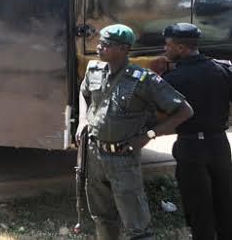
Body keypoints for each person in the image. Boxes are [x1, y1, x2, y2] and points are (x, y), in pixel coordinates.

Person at [77, 24, 193, 240]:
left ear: (123, 49)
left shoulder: (143, 79)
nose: (99, 47)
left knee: (136, 224)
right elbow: (83, 94)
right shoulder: (94, 70)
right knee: (101, 216)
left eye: (106, 45)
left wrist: (147, 136)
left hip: (123, 158)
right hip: (94, 155)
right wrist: (83, 119)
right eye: (100, 43)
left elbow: (184, 111)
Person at [158, 23, 232, 240]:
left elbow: (159, 114)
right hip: (219, 145)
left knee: (198, 206)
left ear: (181, 48)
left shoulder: (173, 79)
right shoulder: (223, 69)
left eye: (168, 45)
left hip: (190, 147)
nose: (165, 49)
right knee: (225, 201)